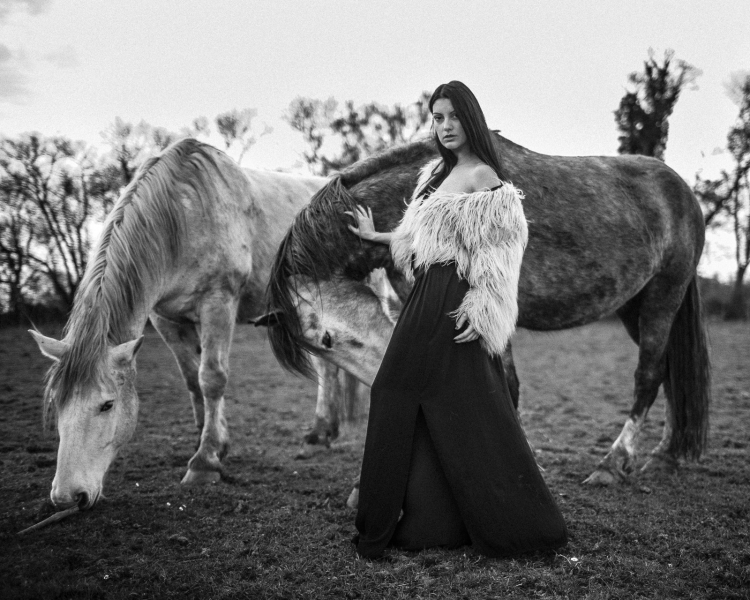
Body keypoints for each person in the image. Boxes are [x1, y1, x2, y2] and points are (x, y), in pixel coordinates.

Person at [345, 80, 568, 559]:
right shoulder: (432, 174)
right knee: (452, 404)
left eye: (453, 117)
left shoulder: (483, 177)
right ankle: (432, 519)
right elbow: (418, 241)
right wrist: (376, 236)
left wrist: (483, 309)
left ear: (471, 119)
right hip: (425, 295)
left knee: (397, 391)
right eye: (437, 117)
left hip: (454, 299)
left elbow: (502, 253)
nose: (444, 126)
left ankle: (378, 521)